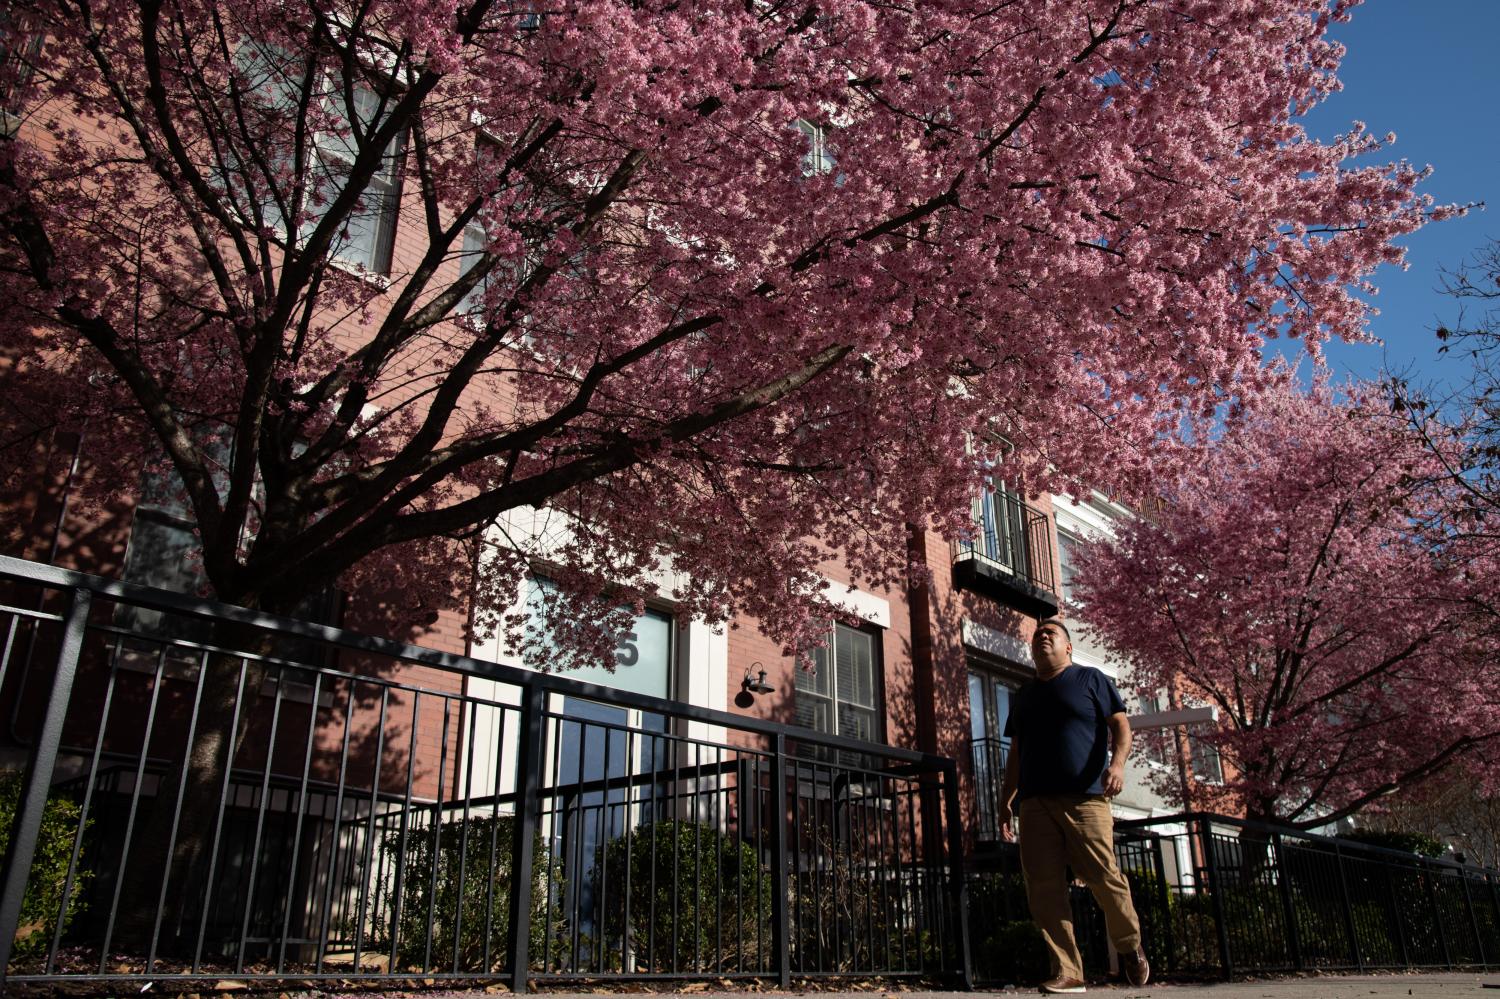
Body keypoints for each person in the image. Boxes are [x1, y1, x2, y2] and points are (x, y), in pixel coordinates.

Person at [997, 617, 1149, 994]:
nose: (1042, 636)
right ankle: (1068, 971)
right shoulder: (1025, 695)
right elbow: (1016, 752)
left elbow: (1121, 726)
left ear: (1067, 647)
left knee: (1104, 878)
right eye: (1037, 634)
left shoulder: (1091, 679)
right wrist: (1006, 801)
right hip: (1034, 804)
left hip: (1086, 798)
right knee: (1044, 889)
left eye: (1051, 633)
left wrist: (1116, 765)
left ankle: (1130, 945)